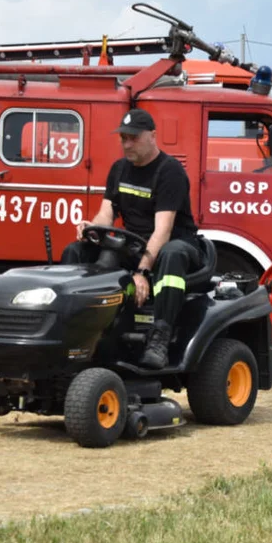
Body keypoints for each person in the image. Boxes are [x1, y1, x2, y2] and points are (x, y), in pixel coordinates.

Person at [64, 108, 200, 369]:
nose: (127, 144)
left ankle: (160, 336)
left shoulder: (170, 171)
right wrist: (92, 226)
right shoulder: (119, 169)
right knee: (75, 252)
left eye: (133, 138)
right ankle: (77, 330)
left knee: (172, 254)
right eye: (123, 138)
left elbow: (163, 230)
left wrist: (141, 272)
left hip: (177, 244)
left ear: (152, 136)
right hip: (135, 243)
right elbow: (107, 212)